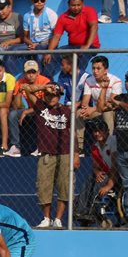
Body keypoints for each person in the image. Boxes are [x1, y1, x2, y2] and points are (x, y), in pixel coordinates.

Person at [32, 82, 78, 227]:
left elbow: (73, 133)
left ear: (59, 96)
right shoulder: (40, 107)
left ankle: (58, 219)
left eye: (55, 95)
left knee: (65, 185)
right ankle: (46, 218)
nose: (52, 98)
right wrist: (43, 88)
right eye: (49, 95)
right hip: (46, 153)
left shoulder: (66, 110)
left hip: (65, 152)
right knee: (44, 185)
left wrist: (76, 153)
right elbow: (25, 89)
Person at [74, 119, 120, 226]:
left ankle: (90, 213)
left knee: (100, 182)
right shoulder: (95, 146)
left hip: (117, 174)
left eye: (100, 131)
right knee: (90, 180)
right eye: (95, 131)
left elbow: (115, 167)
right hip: (107, 173)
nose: (97, 133)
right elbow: (95, 166)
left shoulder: (113, 141)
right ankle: (81, 211)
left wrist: (109, 186)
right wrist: (97, 172)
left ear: (107, 131)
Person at [46, 0, 100, 72]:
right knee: (52, 55)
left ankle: (79, 79)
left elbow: (94, 27)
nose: (76, 8)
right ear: (68, 4)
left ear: (83, 3)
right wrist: (49, 52)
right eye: (73, 5)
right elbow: (57, 36)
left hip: (90, 46)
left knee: (82, 57)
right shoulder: (63, 17)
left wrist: (86, 46)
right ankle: (48, 81)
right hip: (72, 47)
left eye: (78, 5)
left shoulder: (90, 11)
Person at [22, 0, 59, 76]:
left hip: (48, 43)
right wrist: (31, 44)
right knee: (13, 50)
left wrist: (39, 44)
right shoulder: (27, 16)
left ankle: (41, 76)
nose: (39, 2)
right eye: (36, 0)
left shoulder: (51, 14)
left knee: (40, 48)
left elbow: (55, 36)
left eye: (42, 0)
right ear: (32, 0)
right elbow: (25, 37)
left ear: (45, 0)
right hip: (33, 44)